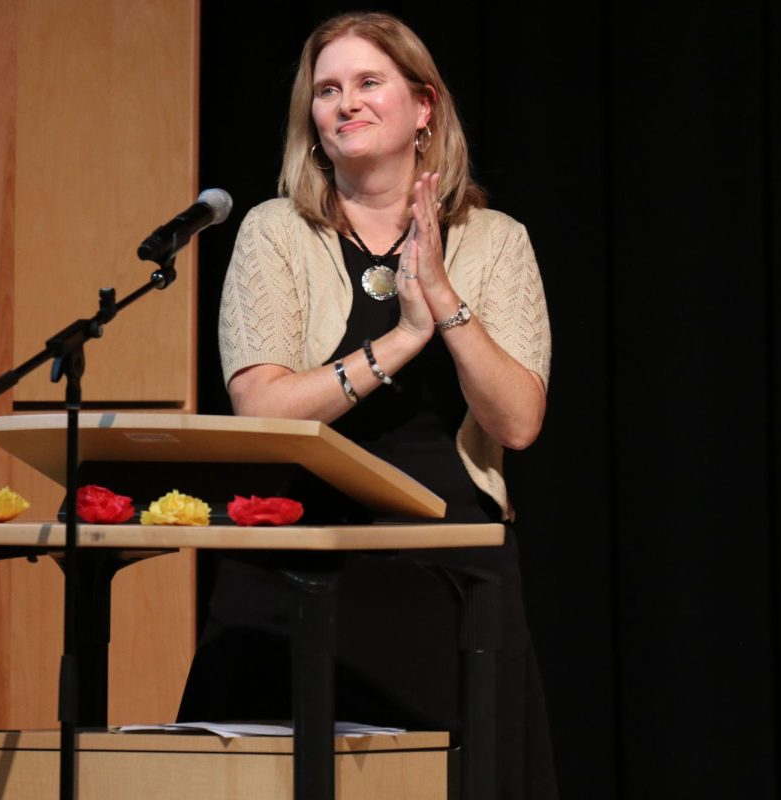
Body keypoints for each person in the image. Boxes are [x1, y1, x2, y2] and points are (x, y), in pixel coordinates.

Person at [179, 11, 556, 797]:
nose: (345, 102)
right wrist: (400, 341)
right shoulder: (274, 232)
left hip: (446, 570)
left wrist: (445, 303)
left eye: (367, 83)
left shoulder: (495, 240)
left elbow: (517, 422)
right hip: (292, 557)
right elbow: (264, 410)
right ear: (310, 119)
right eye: (326, 90)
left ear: (424, 107)